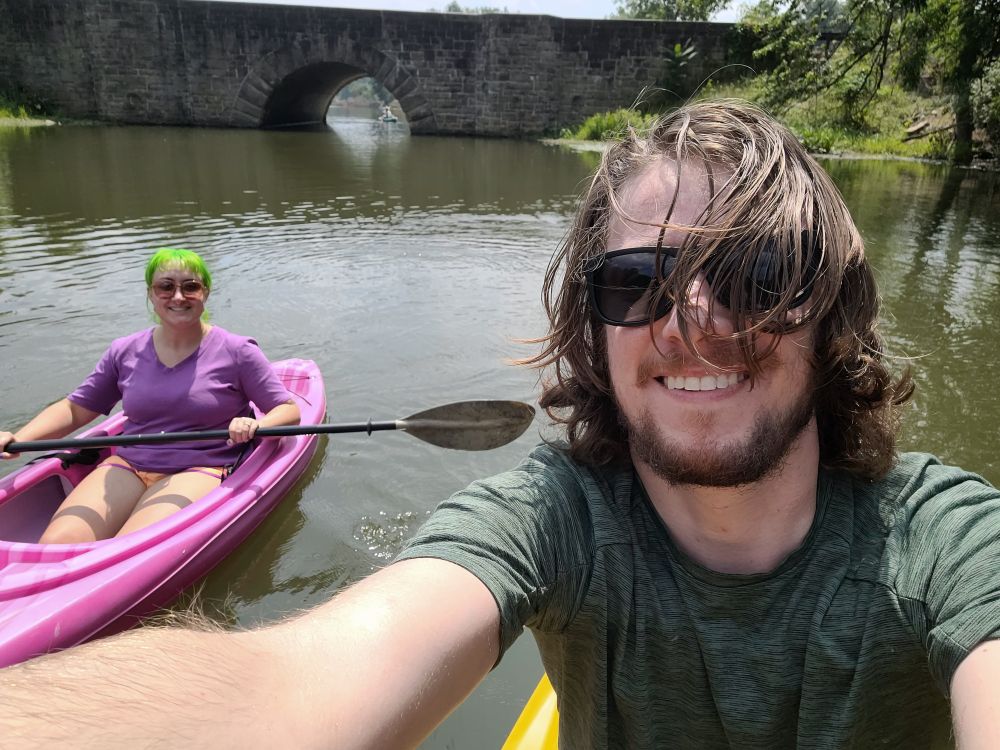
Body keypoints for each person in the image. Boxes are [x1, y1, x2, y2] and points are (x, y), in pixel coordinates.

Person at [1, 101, 998, 748]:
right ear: (590, 334)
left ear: (833, 316)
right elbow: (285, 689)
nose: (696, 322)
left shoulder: (948, 542)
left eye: (755, 275)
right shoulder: (547, 519)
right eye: (634, 282)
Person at [0, 248, 301, 543]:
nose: (179, 296)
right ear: (151, 294)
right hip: (130, 463)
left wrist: (254, 426)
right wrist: (19, 438)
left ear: (205, 292)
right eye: (166, 287)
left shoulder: (238, 352)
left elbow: (287, 410)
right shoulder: (124, 351)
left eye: (190, 286)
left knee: (129, 545)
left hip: (201, 465)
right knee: (58, 541)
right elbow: (76, 409)